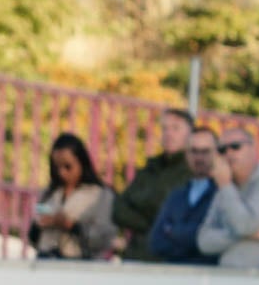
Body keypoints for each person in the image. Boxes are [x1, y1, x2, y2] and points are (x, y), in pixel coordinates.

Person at [112, 110, 193, 262]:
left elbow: (169, 209)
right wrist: (149, 223)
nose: (169, 134)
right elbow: (119, 209)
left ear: (190, 134)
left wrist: (144, 207)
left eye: (175, 128)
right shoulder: (150, 168)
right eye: (165, 128)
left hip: (170, 257)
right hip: (138, 252)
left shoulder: (192, 170)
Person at [195, 127, 259, 269]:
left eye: (236, 146)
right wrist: (243, 236)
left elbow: (244, 225)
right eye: (222, 150)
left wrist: (225, 185)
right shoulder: (226, 186)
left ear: (253, 149)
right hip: (228, 276)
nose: (229, 153)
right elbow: (203, 241)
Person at [27, 133, 115, 260]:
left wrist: (71, 226)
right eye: (56, 167)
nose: (61, 173)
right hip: (46, 262)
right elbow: (33, 236)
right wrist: (40, 224)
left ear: (82, 163)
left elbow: (103, 239)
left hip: (79, 265)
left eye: (68, 167)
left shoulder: (100, 195)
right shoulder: (49, 193)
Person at [149, 127, 220, 264]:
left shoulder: (224, 193)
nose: (199, 157)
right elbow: (156, 242)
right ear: (186, 154)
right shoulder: (177, 195)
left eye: (205, 151)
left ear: (217, 153)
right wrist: (194, 236)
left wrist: (173, 231)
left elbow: (214, 243)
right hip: (174, 275)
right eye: (194, 151)